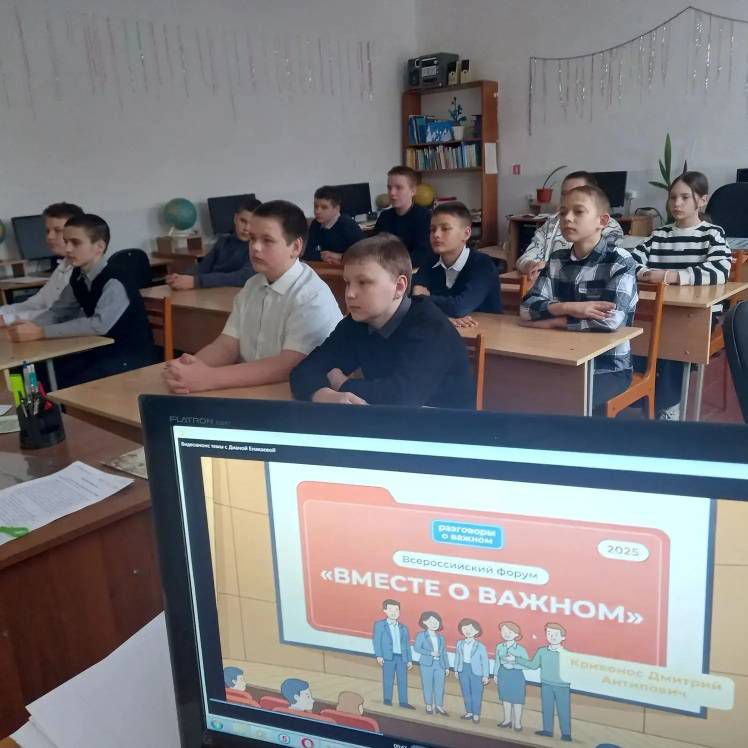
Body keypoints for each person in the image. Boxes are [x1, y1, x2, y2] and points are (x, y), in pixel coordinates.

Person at [163, 200, 342, 394]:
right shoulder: (252, 286)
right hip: (254, 390)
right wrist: (191, 367)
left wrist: (208, 378)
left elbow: (288, 365)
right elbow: (227, 345)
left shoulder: (311, 296)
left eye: (267, 240)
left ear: (295, 247)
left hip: (292, 397)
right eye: (252, 238)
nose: (255, 247)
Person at [289, 234, 475, 408]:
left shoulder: (431, 327)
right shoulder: (357, 322)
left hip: (443, 427)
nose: (350, 294)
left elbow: (401, 398)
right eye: (348, 282)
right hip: (388, 423)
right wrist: (322, 394)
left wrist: (341, 383)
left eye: (363, 283)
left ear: (399, 287)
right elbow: (304, 370)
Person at [520, 185, 638, 414]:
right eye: (563, 212)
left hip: (607, 366)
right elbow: (526, 309)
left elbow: (610, 321)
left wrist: (552, 321)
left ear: (602, 221)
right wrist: (569, 307)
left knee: (564, 399)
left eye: (578, 211)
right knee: (521, 388)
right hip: (561, 358)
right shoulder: (557, 260)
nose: (568, 218)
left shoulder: (620, 261)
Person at [6, 214, 157, 388]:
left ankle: (55, 406)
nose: (68, 249)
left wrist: (41, 332)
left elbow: (99, 325)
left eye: (75, 243)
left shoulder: (115, 280)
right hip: (100, 349)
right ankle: (32, 406)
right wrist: (29, 327)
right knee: (29, 369)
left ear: (99, 246)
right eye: (66, 241)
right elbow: (59, 311)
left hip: (129, 356)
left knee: (64, 380)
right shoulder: (78, 275)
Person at [629, 171, 732, 419]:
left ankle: (667, 406)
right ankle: (642, 396)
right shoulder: (659, 235)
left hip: (693, 316)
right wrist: (646, 274)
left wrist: (669, 276)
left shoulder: (712, 234)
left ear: (702, 200)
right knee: (638, 336)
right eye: (673, 197)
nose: (677, 203)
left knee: (673, 341)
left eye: (685, 197)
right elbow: (629, 261)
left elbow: (720, 270)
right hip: (658, 310)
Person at [516, 171, 624, 283]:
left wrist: (553, 269)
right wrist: (531, 266)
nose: (569, 198)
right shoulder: (551, 224)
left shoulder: (608, 225)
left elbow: (606, 261)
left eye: (577, 191)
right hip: (544, 285)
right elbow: (525, 258)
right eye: (564, 194)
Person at [412, 201, 501, 327]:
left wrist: (423, 298)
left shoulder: (483, 265)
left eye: (445, 229)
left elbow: (459, 307)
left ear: (466, 233)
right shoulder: (430, 261)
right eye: (432, 229)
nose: (436, 235)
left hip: (486, 332)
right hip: (444, 329)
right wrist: (443, 316)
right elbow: (409, 302)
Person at [0, 202, 84, 326]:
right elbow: (35, 303)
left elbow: (60, 314)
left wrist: (7, 319)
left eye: (58, 231)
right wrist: (2, 313)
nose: (50, 236)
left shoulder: (83, 270)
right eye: (47, 231)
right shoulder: (63, 265)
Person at [166, 197, 261, 289]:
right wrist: (180, 276)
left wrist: (195, 281)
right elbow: (203, 267)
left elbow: (243, 277)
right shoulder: (223, 241)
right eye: (243, 221)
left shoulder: (257, 248)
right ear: (235, 218)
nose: (246, 228)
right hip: (211, 292)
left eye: (252, 223)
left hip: (231, 294)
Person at [508, 623, 572, 742]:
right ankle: (547, 730)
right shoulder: (542, 651)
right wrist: (516, 659)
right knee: (547, 708)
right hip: (546, 684)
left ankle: (566, 733)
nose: (552, 636)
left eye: (555, 634)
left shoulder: (567, 654)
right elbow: (533, 665)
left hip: (562, 686)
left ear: (563, 637)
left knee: (563, 710)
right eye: (549, 633)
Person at [374, 166, 434, 269]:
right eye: (389, 188)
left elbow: (422, 255)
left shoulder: (425, 217)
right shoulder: (384, 217)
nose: (392, 193)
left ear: (413, 191)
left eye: (398, 188)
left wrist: (391, 264)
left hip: (413, 271)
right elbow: (375, 248)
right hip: (386, 270)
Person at [371, 599, 415, 709]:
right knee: (388, 679)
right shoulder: (380, 625)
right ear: (385, 610)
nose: (394, 612)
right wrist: (379, 655)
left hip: (401, 658)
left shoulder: (403, 628)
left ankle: (403, 702)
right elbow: (377, 641)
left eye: (396, 610)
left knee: (402, 680)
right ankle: (387, 699)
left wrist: (409, 660)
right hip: (388, 657)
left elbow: (407, 645)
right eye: (390, 609)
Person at [304, 185, 364, 264]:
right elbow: (307, 253)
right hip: (326, 266)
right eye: (316, 206)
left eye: (324, 207)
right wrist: (326, 256)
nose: (317, 211)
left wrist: (340, 256)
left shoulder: (348, 225)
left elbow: (362, 255)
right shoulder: (316, 224)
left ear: (337, 209)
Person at [413, 611, 450, 716]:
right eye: (431, 621)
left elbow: (444, 653)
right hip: (427, 664)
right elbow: (417, 648)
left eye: (436, 622)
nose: (434, 624)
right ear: (424, 622)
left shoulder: (441, 637)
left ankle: (439, 706)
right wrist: (430, 653)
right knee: (427, 685)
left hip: (440, 665)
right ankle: (429, 705)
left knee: (440, 686)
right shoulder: (421, 635)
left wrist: (447, 667)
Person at [494, 621, 528, 732]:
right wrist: (495, 674)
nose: (506, 634)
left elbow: (527, 665)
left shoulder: (520, 649)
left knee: (517, 700)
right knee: (505, 699)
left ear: (516, 634)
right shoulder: (499, 647)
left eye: (510, 632)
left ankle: (517, 723)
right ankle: (507, 720)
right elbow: (497, 662)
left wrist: (513, 663)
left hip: (516, 675)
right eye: (504, 631)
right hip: (503, 674)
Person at [454, 618, 489, 724]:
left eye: (470, 629)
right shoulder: (460, 643)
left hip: (477, 672)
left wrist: (486, 675)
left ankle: (476, 714)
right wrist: (456, 670)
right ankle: (469, 712)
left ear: (476, 631)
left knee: (476, 693)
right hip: (463, 669)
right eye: (465, 628)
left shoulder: (480, 646)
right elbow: (457, 657)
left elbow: (485, 661)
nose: (467, 631)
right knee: (466, 692)